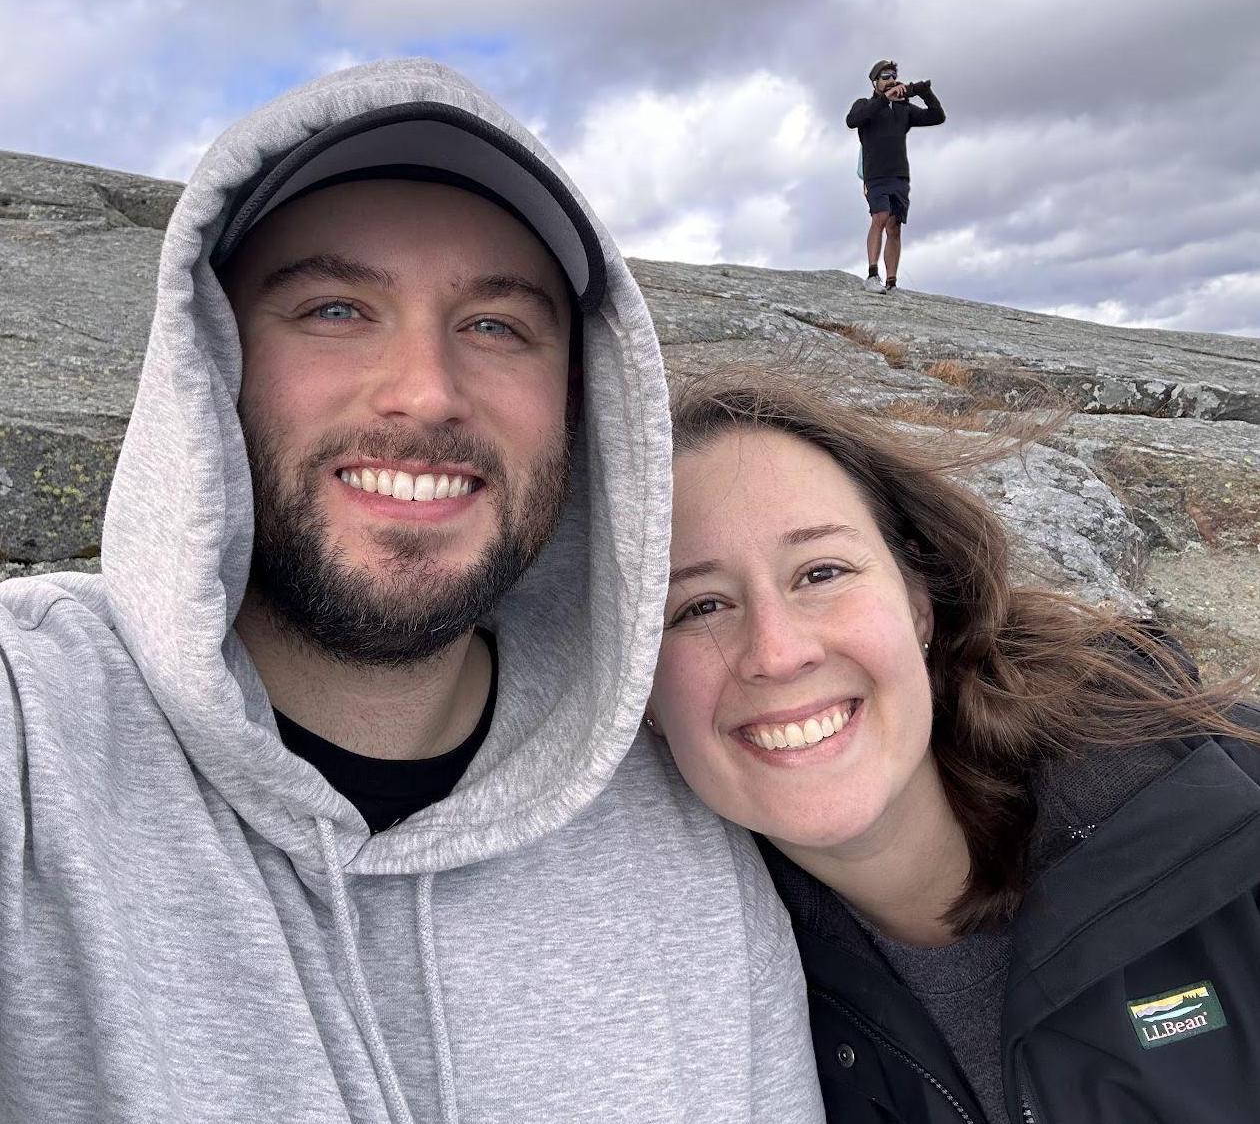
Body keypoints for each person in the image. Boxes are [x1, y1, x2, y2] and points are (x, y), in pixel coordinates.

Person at [0, 61, 825, 1122]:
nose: (426, 391)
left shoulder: (687, 835)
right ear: (215, 359)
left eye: (495, 325)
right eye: (336, 307)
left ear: (578, 399)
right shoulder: (33, 730)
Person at [645, 364, 1260, 1123]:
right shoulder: (700, 1009)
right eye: (700, 605)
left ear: (919, 603)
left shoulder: (1221, 797)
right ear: (644, 701)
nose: (776, 651)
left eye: (821, 571)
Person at [846, 59, 945, 294]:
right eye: (885, 76)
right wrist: (884, 100)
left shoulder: (904, 110)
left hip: (899, 175)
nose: (890, 80)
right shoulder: (865, 105)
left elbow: (937, 117)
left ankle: (892, 283)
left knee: (895, 226)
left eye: (893, 76)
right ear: (874, 82)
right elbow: (852, 121)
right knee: (879, 217)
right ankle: (872, 276)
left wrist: (924, 92)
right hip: (875, 176)